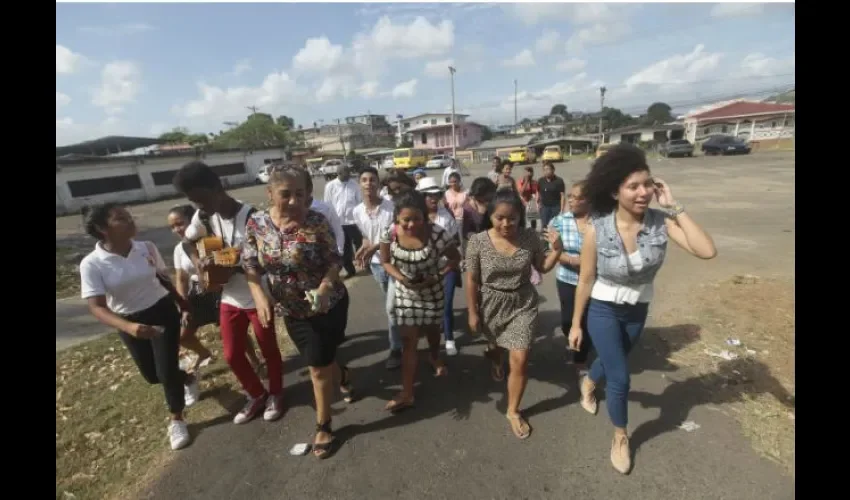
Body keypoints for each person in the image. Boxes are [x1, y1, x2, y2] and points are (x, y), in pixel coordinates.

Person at [568, 144, 717, 474]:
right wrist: (577, 323)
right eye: (633, 186)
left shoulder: (661, 224)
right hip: (604, 309)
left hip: (637, 310)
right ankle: (621, 436)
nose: (643, 192)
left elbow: (706, 251)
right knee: (620, 377)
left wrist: (674, 205)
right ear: (614, 190)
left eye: (648, 184)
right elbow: (586, 279)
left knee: (610, 363)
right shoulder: (597, 228)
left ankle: (589, 382)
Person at [243, 165, 353, 460]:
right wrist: (259, 296)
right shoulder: (257, 224)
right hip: (292, 309)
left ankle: (323, 426)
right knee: (321, 361)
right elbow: (250, 263)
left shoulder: (316, 222)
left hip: (328, 305)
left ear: (308, 195)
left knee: (316, 366)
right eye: (285, 194)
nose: (293, 201)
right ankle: (341, 373)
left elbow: (335, 260)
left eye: (300, 194)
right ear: (269, 193)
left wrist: (326, 286)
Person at [78, 203, 200, 451]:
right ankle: (187, 377)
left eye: (128, 215)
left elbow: (164, 280)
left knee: (165, 371)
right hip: (128, 321)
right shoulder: (92, 264)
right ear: (103, 229)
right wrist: (129, 327)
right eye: (121, 218)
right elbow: (97, 307)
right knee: (152, 375)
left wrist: (183, 305)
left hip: (162, 312)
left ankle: (177, 419)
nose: (130, 220)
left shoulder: (146, 248)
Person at [173, 161, 284, 425]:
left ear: (218, 187)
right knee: (233, 355)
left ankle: (277, 394)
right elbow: (187, 241)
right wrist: (200, 263)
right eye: (194, 202)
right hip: (230, 297)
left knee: (269, 350)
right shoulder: (202, 218)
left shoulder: (253, 217)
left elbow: (266, 260)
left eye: (202, 199)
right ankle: (257, 394)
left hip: (258, 294)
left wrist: (225, 262)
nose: (201, 206)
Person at [465, 191, 563, 439]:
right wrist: (472, 313)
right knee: (496, 347)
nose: (506, 224)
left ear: (520, 216)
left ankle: (513, 410)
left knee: (519, 358)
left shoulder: (530, 238)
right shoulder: (477, 242)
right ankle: (496, 358)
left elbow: (542, 267)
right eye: (500, 218)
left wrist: (557, 251)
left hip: (523, 302)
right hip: (491, 303)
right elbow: (472, 280)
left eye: (513, 218)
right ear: (491, 216)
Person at [379, 191, 461, 412]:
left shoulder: (437, 234)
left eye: (416, 218)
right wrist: (402, 279)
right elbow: (385, 262)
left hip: (433, 290)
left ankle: (434, 356)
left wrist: (436, 277)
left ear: (424, 217)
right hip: (405, 291)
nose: (411, 224)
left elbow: (455, 258)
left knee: (433, 330)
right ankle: (407, 393)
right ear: (397, 218)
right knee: (409, 342)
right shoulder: (390, 234)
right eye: (406, 219)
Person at [167, 205, 264, 372]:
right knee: (182, 335)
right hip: (198, 293)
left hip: (220, 291)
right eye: (172, 227)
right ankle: (204, 354)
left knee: (236, 334)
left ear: (192, 223)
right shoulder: (179, 249)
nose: (177, 229)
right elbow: (181, 278)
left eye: (180, 223)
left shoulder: (214, 240)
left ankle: (256, 362)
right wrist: (182, 306)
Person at [352, 166, 402, 370]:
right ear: (360, 184)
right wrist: (364, 248)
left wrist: (373, 247)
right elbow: (366, 234)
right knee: (392, 303)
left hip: (395, 261)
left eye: (372, 180)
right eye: (364, 180)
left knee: (391, 307)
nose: (368, 183)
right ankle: (405, 330)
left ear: (379, 184)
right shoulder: (357, 211)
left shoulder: (391, 207)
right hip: (376, 265)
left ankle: (396, 349)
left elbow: (395, 233)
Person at [547, 181, 593, 376]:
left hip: (594, 281)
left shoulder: (599, 221)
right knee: (568, 321)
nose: (572, 201)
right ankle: (574, 338)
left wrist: (590, 262)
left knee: (589, 321)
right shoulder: (558, 221)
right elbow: (552, 249)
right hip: (567, 278)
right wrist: (573, 260)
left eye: (578, 197)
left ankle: (580, 360)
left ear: (589, 200)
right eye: (570, 197)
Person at [417, 177, 462, 356]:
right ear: (422, 197)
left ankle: (450, 339)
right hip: (424, 269)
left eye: (437, 194)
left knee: (447, 304)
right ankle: (432, 339)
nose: (434, 199)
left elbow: (456, 242)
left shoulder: (447, 216)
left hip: (446, 267)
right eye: (429, 195)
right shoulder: (416, 217)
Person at [323, 164, 363, 278]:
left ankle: (363, 262)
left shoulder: (354, 185)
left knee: (360, 243)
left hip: (354, 222)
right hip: (339, 223)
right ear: (338, 174)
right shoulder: (330, 186)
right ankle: (350, 270)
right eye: (345, 174)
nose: (348, 176)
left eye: (349, 173)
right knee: (345, 248)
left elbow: (360, 202)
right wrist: (329, 221)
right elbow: (327, 204)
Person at [537, 160, 566, 228]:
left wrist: (561, 210)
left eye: (548, 169)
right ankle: (544, 238)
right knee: (544, 225)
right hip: (544, 207)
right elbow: (538, 192)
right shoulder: (541, 180)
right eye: (544, 170)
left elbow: (562, 196)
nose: (546, 171)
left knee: (554, 226)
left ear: (553, 170)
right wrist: (538, 203)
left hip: (555, 207)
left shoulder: (559, 181)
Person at [517, 166, 540, 230]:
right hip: (523, 202)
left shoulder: (535, 182)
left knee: (533, 219)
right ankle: (522, 232)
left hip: (531, 201)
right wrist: (526, 181)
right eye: (527, 172)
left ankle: (533, 231)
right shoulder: (520, 181)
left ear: (532, 173)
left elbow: (537, 192)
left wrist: (537, 201)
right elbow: (521, 192)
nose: (528, 174)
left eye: (530, 172)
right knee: (522, 219)